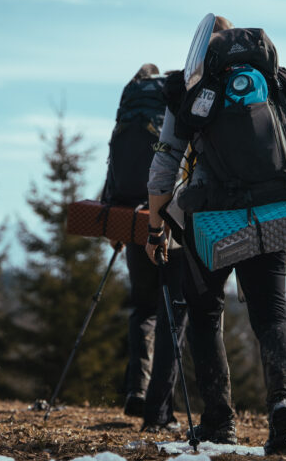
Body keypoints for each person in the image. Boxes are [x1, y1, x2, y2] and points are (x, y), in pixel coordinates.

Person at [145, 16, 286, 455]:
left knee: (204, 315)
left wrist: (156, 228)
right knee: (272, 314)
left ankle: (219, 424)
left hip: (212, 218)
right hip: (274, 211)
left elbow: (164, 168)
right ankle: (284, 403)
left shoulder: (189, 90)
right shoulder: (275, 81)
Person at [101, 64, 188, 423]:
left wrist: (112, 218)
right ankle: (160, 405)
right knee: (175, 307)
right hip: (168, 212)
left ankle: (137, 389)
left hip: (129, 210)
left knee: (143, 306)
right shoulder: (173, 97)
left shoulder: (129, 105)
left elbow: (112, 167)